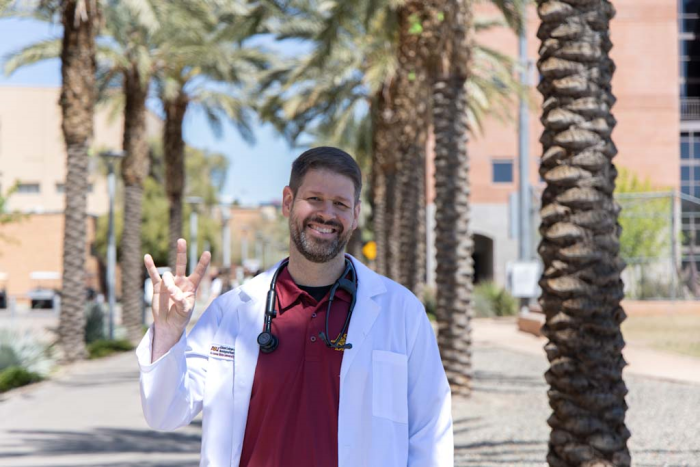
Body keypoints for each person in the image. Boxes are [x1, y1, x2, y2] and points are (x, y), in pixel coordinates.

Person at [136, 147, 453, 466]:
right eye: (314, 199)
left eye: (340, 204)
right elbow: (165, 413)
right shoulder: (231, 312)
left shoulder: (401, 312)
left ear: (355, 215)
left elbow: (430, 431)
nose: (327, 214)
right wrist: (168, 331)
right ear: (288, 201)